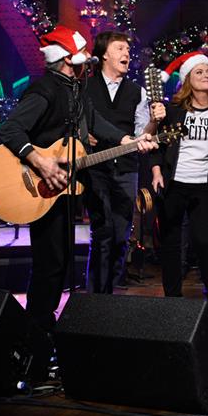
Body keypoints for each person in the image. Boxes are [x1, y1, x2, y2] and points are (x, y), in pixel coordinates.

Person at [0, 26, 157, 331]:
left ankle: (46, 327)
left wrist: (128, 140)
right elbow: (11, 130)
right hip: (38, 183)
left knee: (59, 261)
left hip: (61, 188)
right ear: (67, 59)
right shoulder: (45, 89)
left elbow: (94, 121)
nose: (88, 59)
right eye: (81, 53)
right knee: (50, 262)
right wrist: (39, 161)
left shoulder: (75, 89)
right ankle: (36, 331)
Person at [149, 50, 208, 313]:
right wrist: (156, 171)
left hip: (203, 186)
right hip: (174, 184)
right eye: (199, 72)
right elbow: (156, 145)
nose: (206, 75)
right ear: (187, 79)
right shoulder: (173, 111)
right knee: (171, 243)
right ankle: (172, 301)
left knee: (203, 242)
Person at [81, 31, 161, 294]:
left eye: (127, 49)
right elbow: (76, 122)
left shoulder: (137, 92)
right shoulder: (85, 87)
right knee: (102, 232)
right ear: (104, 54)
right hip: (95, 168)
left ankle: (112, 294)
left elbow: (142, 135)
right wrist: (83, 136)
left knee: (121, 236)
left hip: (126, 168)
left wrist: (154, 122)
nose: (126, 53)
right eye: (120, 48)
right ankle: (95, 298)